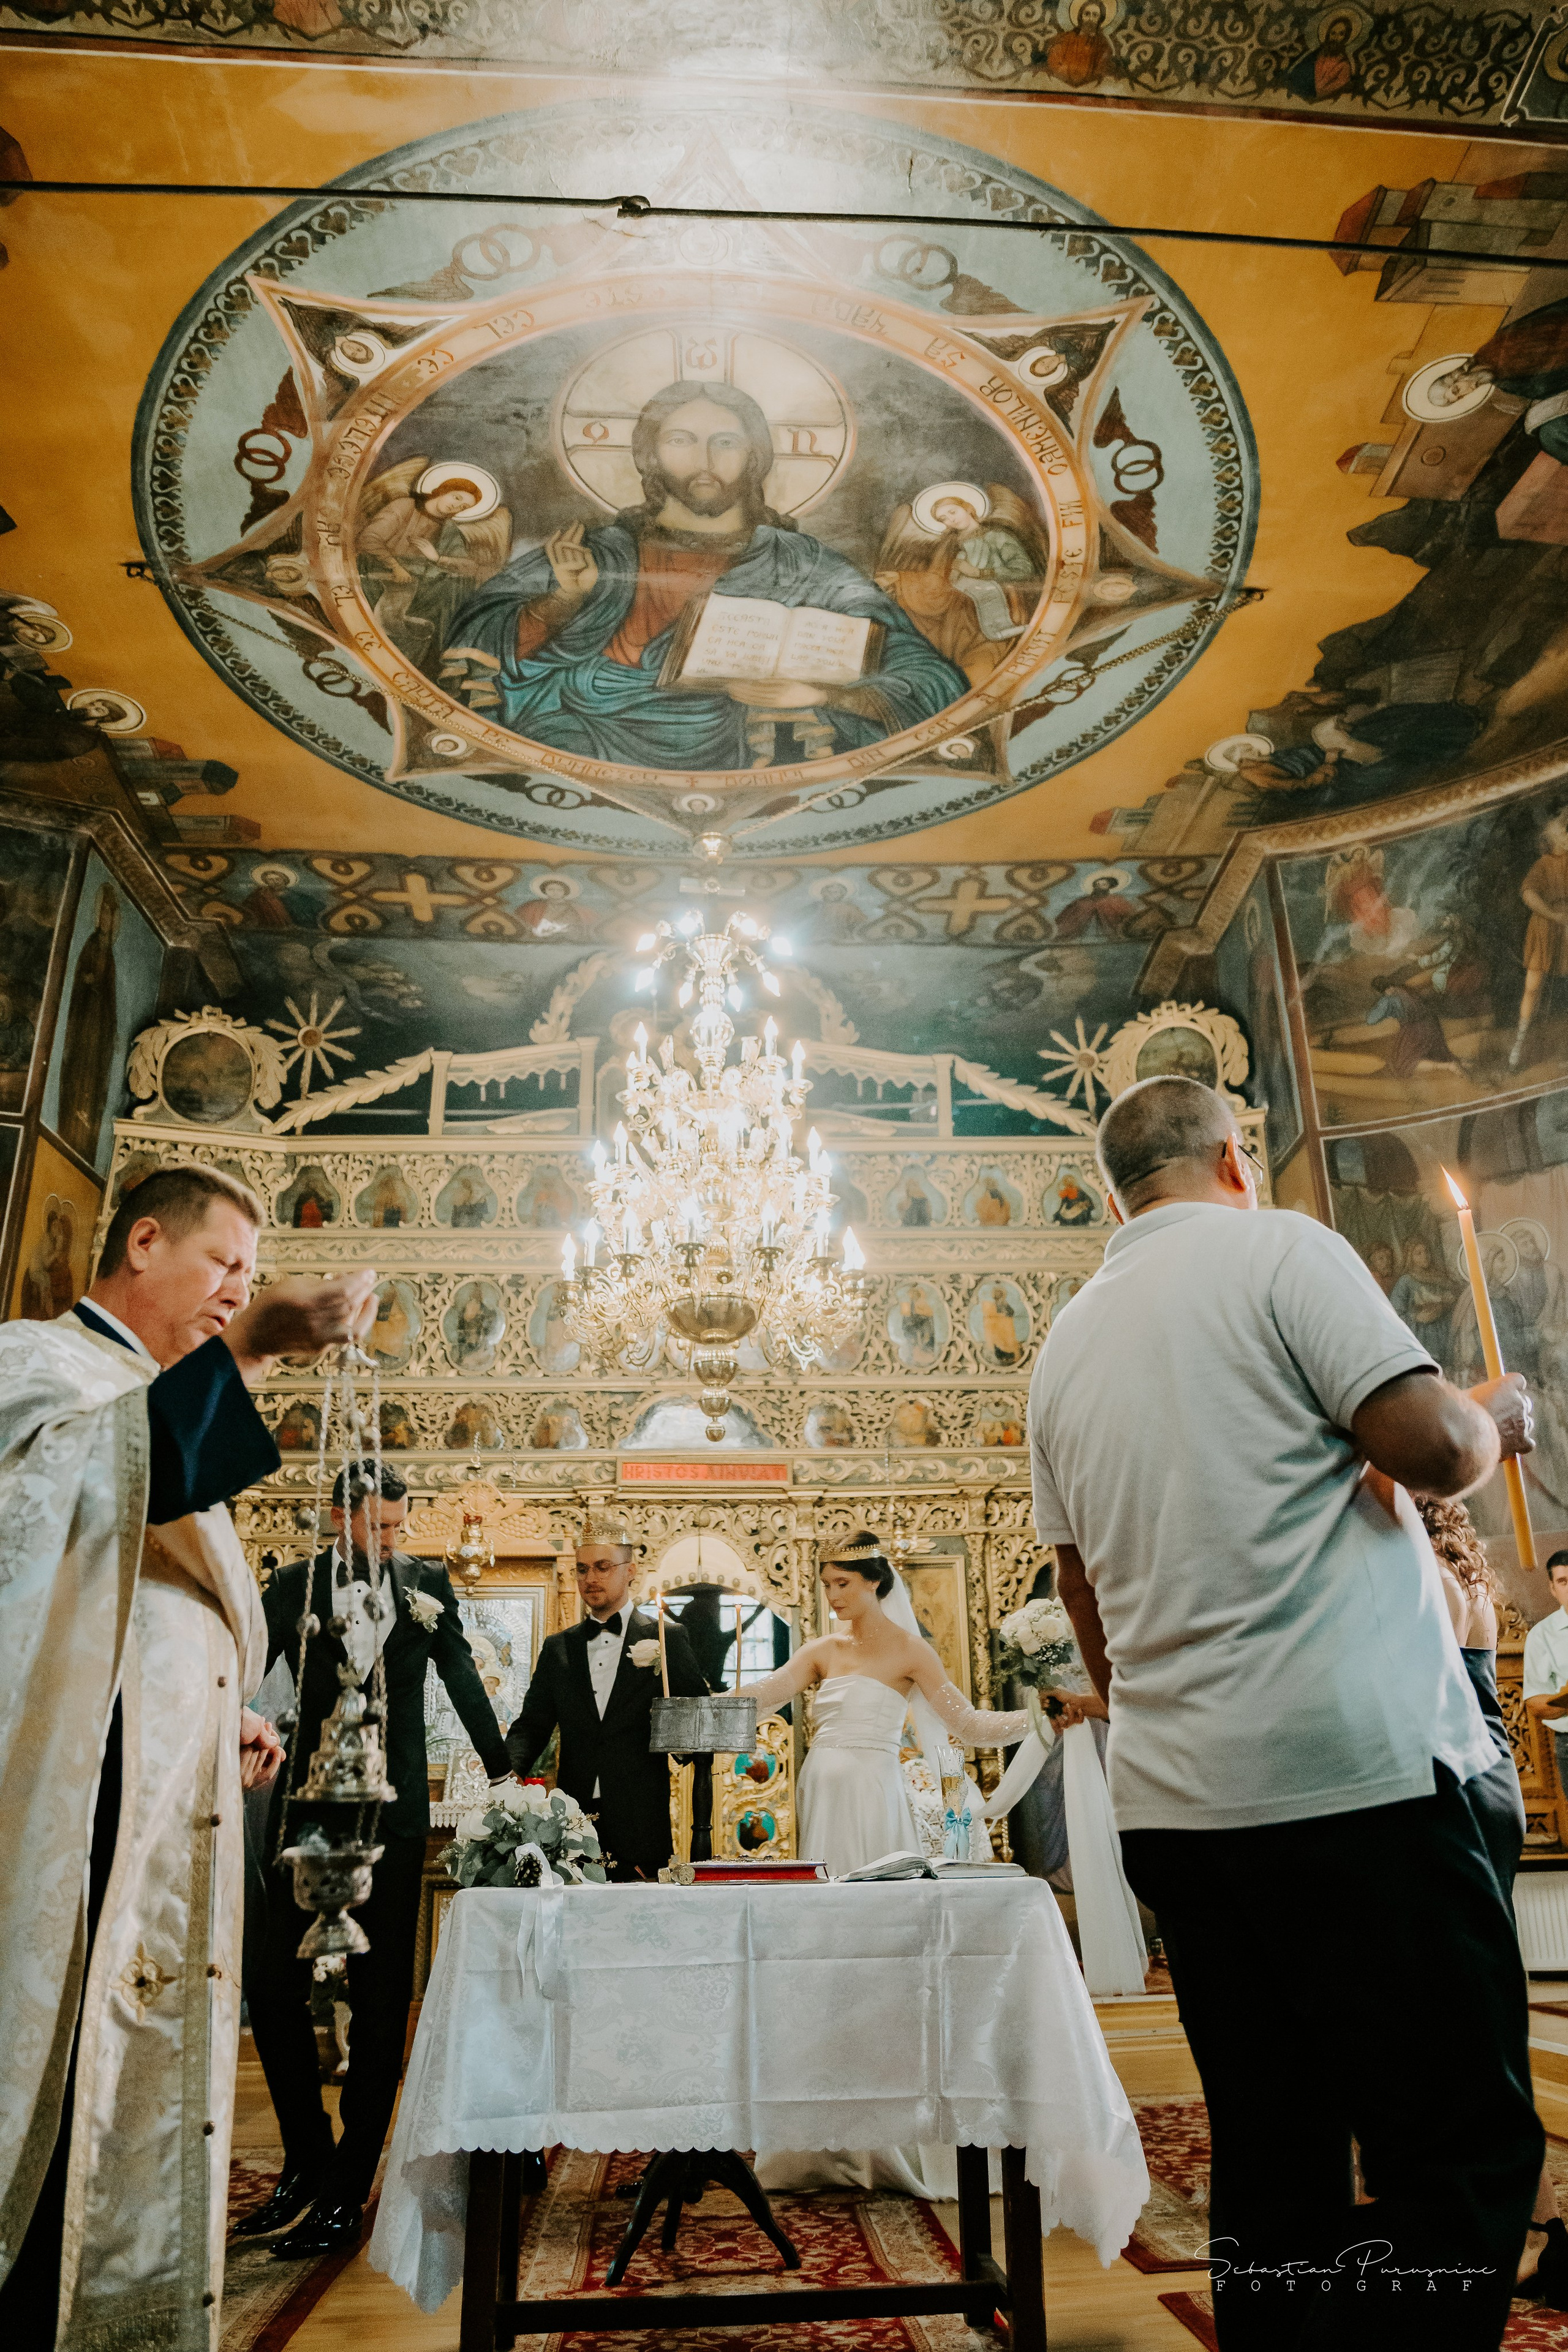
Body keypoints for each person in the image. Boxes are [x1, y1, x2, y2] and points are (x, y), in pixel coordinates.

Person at [1030, 1073, 1543, 2351]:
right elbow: (1429, 1448)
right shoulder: (1277, 1251)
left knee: (1274, 2153)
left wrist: (1155, 1711)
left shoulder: (1064, 1345)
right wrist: (1499, 1416)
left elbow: (1077, 1588)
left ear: (1115, 1192)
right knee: (1452, 2146)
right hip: (1353, 1785)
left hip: (1180, 1809)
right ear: (1233, 1159)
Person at [0, 1163, 377, 2345]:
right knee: (59, 2084)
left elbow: (148, 1603)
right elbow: (83, 1525)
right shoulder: (37, 1366)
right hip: (75, 1812)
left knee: (128, 2094)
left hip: (160, 1796)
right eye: (225, 1267)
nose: (235, 1293)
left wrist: (229, 1712)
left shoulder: (145, 1389)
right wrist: (256, 1350)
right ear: (145, 1241)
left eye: (251, 1284)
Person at [244, 1462, 511, 2259]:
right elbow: (244, 1666)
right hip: (305, 1808)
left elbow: (461, 1672)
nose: (390, 1542)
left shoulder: (426, 1583)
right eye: (377, 1528)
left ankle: (349, 2184)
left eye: (399, 1528)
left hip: (394, 1815)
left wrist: (506, 1773)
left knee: (382, 1986)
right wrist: (233, 1726)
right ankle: (306, 2159)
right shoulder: (292, 1586)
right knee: (274, 1980)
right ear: (340, 1518)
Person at [445, 381, 968, 771]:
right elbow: (475, 644)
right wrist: (563, 601)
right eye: (681, 440)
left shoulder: (805, 563)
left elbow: (925, 674)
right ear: (649, 455)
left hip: (745, 737)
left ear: (754, 455)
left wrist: (824, 696)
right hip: (583, 728)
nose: (704, 459)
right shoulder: (594, 553)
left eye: (725, 442)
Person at [735, 1532, 1029, 2196]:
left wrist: (1032, 1722)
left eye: (842, 1583)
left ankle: (890, 2113)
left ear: (873, 1582)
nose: (832, 1596)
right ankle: (820, 2118)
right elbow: (764, 1694)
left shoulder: (909, 1651)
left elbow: (970, 1725)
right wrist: (697, 1698)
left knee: (876, 1942)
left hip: (874, 1794)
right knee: (825, 1946)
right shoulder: (821, 1651)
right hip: (823, 1791)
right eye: (827, 1585)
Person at [1423, 1498, 1568, 2307]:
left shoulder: (1432, 1581)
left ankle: (1519, 2221)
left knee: (1468, 2012)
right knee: (1474, 2005)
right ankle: (1526, 2219)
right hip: (1486, 1780)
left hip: (1453, 1784)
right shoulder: (1463, 1572)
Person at [504, 1510, 708, 1880]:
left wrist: (685, 1744)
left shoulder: (667, 1637)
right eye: (582, 1570)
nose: (590, 1579)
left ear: (630, 1570)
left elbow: (697, 1717)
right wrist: (504, 1775)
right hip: (571, 1820)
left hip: (641, 1815)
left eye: (602, 1567)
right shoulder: (558, 1649)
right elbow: (532, 1726)